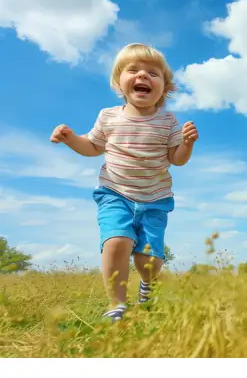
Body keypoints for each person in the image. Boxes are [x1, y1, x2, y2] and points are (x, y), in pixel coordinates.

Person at [49, 43, 198, 322]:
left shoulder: (168, 121)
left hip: (155, 199)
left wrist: (187, 144)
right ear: (120, 82)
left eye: (153, 73)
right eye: (133, 70)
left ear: (164, 88)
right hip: (114, 192)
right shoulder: (108, 116)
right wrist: (71, 139)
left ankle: (147, 285)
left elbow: (176, 159)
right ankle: (116, 304)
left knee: (149, 261)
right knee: (116, 242)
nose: (143, 76)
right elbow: (93, 147)